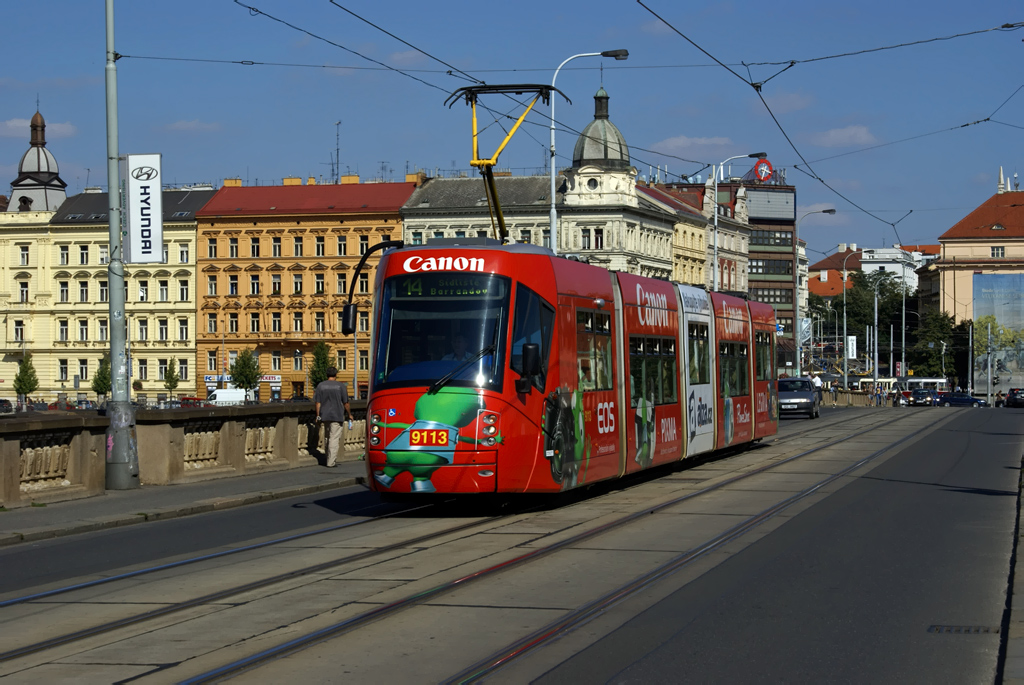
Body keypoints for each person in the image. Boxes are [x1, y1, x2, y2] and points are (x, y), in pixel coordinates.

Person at [314, 367, 352, 468]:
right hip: (337, 415)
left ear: (326, 375)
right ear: (336, 374)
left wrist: (318, 416)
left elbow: (318, 403)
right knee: (334, 438)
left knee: (327, 437)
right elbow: (346, 403)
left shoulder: (321, 386)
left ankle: (328, 457)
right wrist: (349, 414)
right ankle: (331, 462)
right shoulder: (341, 386)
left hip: (324, 415)